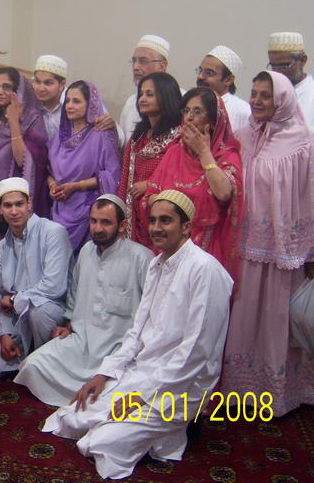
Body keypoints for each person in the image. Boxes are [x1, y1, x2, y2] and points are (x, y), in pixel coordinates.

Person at [43, 190, 233, 480]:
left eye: (166, 220)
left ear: (185, 227)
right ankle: (152, 431)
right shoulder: (157, 265)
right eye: (153, 220)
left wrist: (142, 397)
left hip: (180, 384)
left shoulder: (205, 270)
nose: (156, 227)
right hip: (145, 369)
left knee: (99, 443)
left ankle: (176, 427)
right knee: (72, 417)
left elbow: (196, 352)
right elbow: (137, 331)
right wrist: (105, 373)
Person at [221, 70, 314, 417]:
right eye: (254, 93)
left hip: (283, 252)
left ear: (283, 100)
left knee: (277, 320)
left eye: (266, 95)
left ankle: (278, 392)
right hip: (244, 247)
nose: (258, 101)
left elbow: (311, 197)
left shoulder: (303, 143)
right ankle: (241, 388)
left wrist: (310, 250)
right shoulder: (243, 136)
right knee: (244, 317)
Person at [14, 194, 152, 406]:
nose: (97, 228)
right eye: (93, 221)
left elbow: (151, 312)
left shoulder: (142, 258)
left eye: (105, 222)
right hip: (82, 342)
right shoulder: (87, 251)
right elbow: (75, 294)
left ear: (122, 225)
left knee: (121, 390)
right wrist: (68, 325)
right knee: (31, 365)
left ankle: (93, 396)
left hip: (118, 349)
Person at [143, 88, 243, 277]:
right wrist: (171, 207)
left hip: (206, 248)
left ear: (212, 121)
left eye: (197, 111)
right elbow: (150, 196)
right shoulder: (174, 152)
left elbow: (224, 194)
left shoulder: (226, 155)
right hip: (169, 244)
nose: (189, 117)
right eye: (186, 111)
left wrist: (203, 151)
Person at [0, 67, 49, 302]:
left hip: (19, 205)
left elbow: (23, 160)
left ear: (19, 91)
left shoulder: (33, 119)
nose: (0, 91)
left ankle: (18, 308)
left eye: (7, 87)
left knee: (19, 263)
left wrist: (14, 121)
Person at [0, 178, 73, 373]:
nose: (14, 211)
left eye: (19, 204)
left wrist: (14, 300)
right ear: (0, 209)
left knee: (38, 311)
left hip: (53, 311)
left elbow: (54, 287)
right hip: (16, 319)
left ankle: (47, 368)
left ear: (29, 203)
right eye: (7, 206)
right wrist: (4, 334)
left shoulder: (53, 232)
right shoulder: (2, 247)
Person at [49, 80, 121, 253]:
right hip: (59, 207)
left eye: (76, 101)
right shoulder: (59, 137)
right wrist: (52, 185)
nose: (70, 106)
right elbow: (48, 170)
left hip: (87, 213)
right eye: (67, 100)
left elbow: (112, 175)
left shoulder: (101, 134)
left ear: (90, 105)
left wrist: (76, 186)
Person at [116, 72, 182, 246]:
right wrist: (121, 212)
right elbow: (125, 178)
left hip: (162, 215)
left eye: (149, 94)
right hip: (134, 214)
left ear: (166, 97)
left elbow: (182, 177)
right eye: (141, 94)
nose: (142, 99)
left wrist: (150, 185)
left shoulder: (180, 138)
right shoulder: (138, 137)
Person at [118, 35, 171, 141]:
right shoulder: (131, 102)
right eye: (134, 61)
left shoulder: (179, 98)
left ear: (162, 66)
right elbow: (124, 144)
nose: (135, 67)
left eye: (143, 61)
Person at [195, 45, 251, 131]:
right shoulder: (192, 104)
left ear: (228, 80)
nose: (200, 76)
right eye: (200, 70)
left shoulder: (243, 111)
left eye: (209, 73)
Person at [267, 32, 314, 133]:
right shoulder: (267, 93)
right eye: (274, 66)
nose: (278, 72)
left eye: (285, 65)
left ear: (302, 61)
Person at [31, 54, 68, 140]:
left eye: (48, 83)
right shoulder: (31, 103)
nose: (41, 89)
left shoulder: (73, 104)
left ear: (62, 84)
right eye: (37, 81)